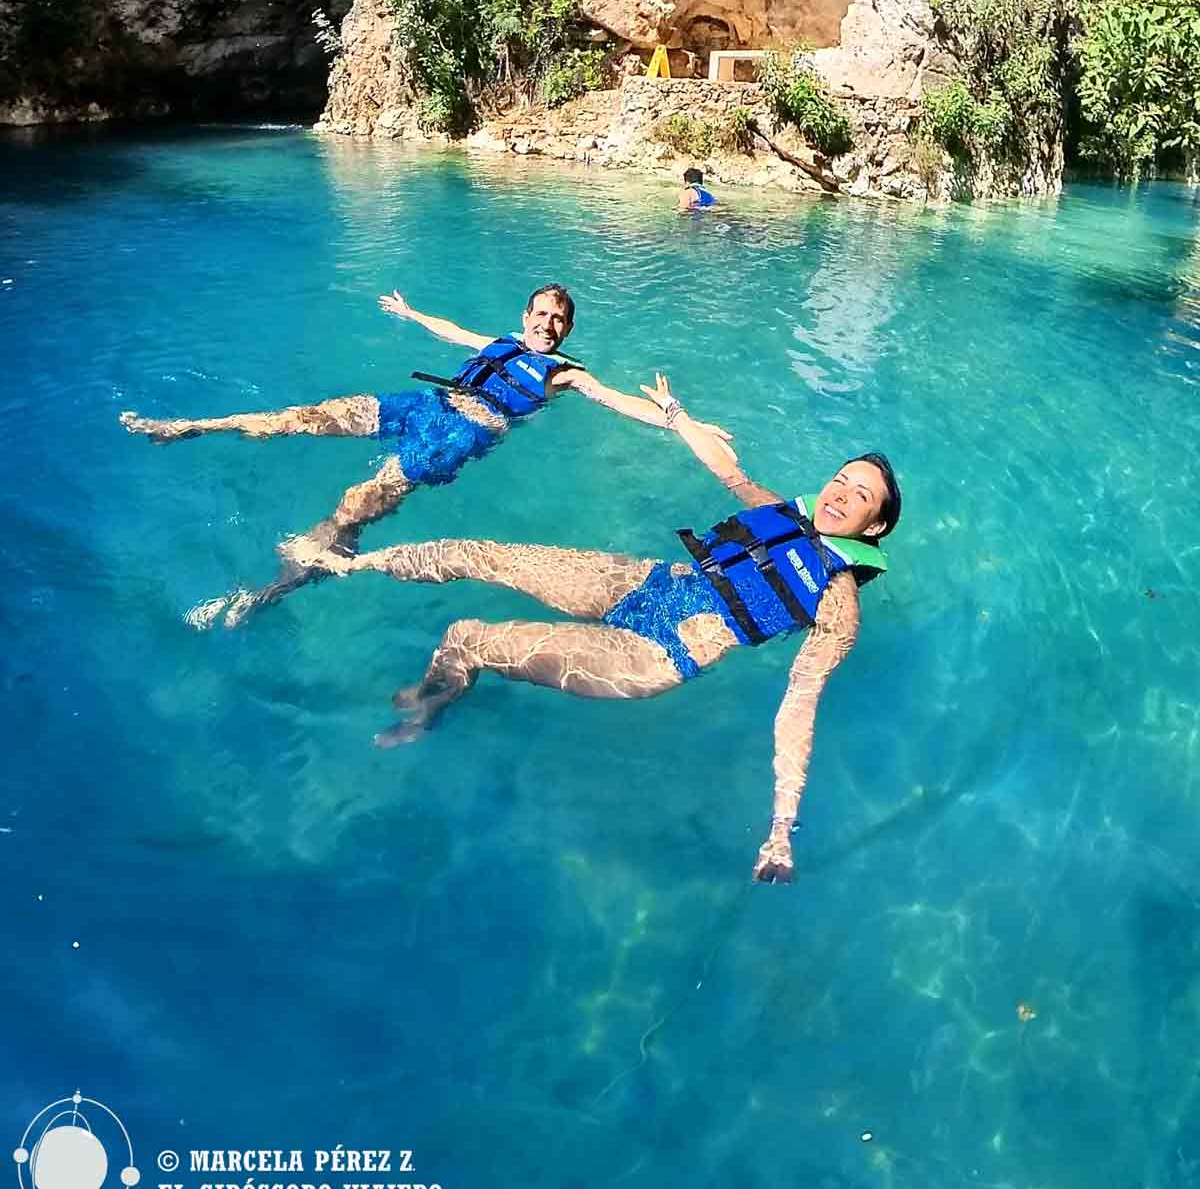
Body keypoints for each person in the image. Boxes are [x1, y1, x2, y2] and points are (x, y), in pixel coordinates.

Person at [303, 376, 902, 884]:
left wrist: (780, 828)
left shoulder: (837, 605)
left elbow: (800, 704)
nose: (843, 495)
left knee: (465, 635)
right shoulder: (777, 511)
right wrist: (677, 415)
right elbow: (729, 469)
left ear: (873, 529)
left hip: (653, 652)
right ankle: (346, 563)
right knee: (478, 553)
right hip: (647, 584)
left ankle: (427, 710)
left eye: (861, 495)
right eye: (841, 480)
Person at [119, 286, 731, 629]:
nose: (548, 324)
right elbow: (453, 331)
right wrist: (412, 313)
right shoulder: (503, 340)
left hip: (453, 438)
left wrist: (678, 417)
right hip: (422, 405)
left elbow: (623, 403)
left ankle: (268, 593)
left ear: (566, 333)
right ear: (526, 315)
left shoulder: (566, 374)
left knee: (353, 506)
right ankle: (193, 426)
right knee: (303, 417)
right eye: (542, 313)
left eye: (559, 320)